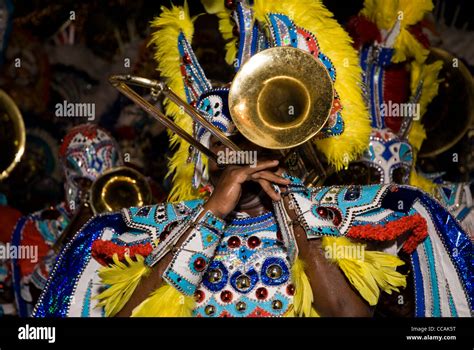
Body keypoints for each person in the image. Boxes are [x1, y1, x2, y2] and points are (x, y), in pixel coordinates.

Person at [33, 0, 471, 318]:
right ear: (205, 155)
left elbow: (347, 314)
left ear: (284, 145)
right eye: (225, 143)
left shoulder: (328, 218)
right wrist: (211, 215)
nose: (242, 153)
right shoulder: (160, 227)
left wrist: (300, 228)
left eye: (257, 139)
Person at [11, 123, 123, 316]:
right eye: (85, 183)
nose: (97, 191)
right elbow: (33, 294)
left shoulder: (129, 220)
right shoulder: (40, 226)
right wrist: (78, 227)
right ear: (67, 178)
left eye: (105, 180)